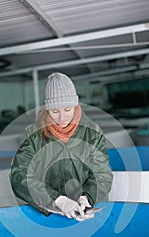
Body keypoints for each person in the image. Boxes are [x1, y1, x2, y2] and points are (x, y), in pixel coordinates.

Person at [10, 72, 113, 221]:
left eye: (67, 110)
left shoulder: (92, 133)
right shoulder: (34, 135)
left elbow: (102, 174)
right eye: (55, 111)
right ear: (47, 110)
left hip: (85, 213)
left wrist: (87, 199)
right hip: (50, 213)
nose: (62, 118)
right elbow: (19, 175)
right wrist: (57, 200)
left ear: (75, 105)